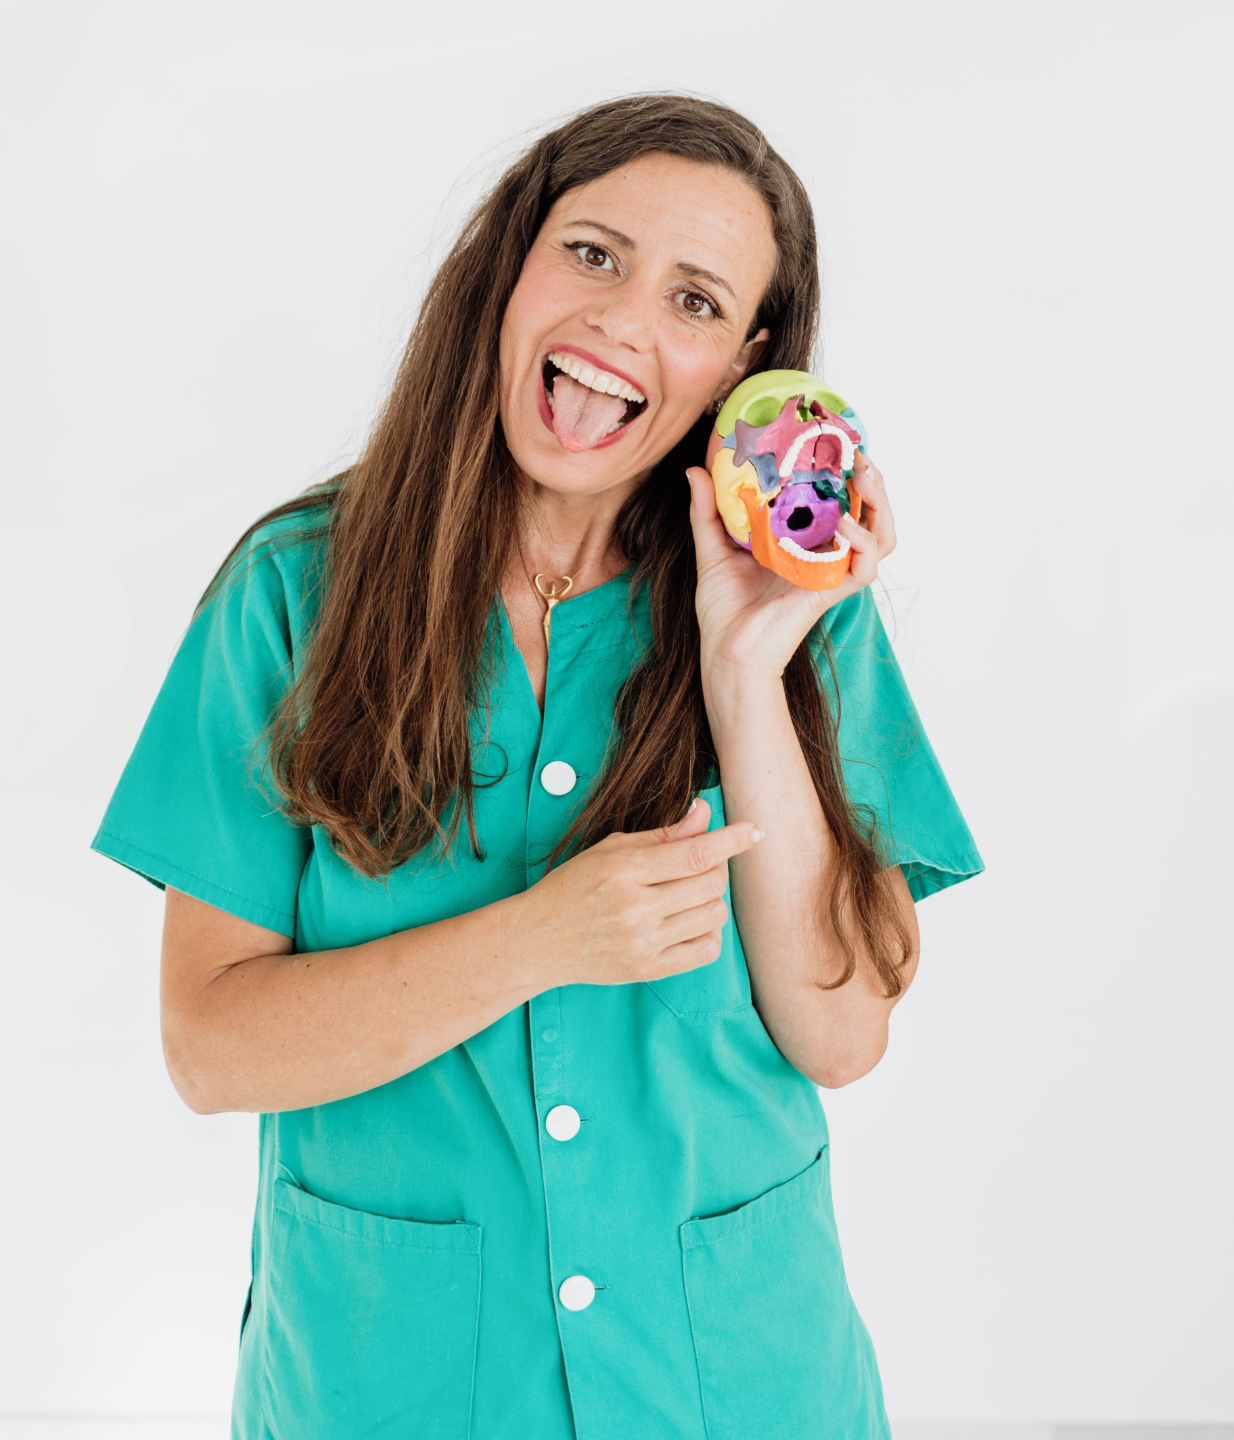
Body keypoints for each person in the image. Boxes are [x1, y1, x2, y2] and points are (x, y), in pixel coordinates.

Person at [93, 94, 984, 1440]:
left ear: (746, 365)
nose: (623, 321)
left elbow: (842, 1034)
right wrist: (540, 939)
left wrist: (744, 671)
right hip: (392, 1392)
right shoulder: (293, 593)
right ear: (508, 264)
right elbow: (209, 1049)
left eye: (694, 300)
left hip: (732, 1390)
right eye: (592, 254)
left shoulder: (801, 613)